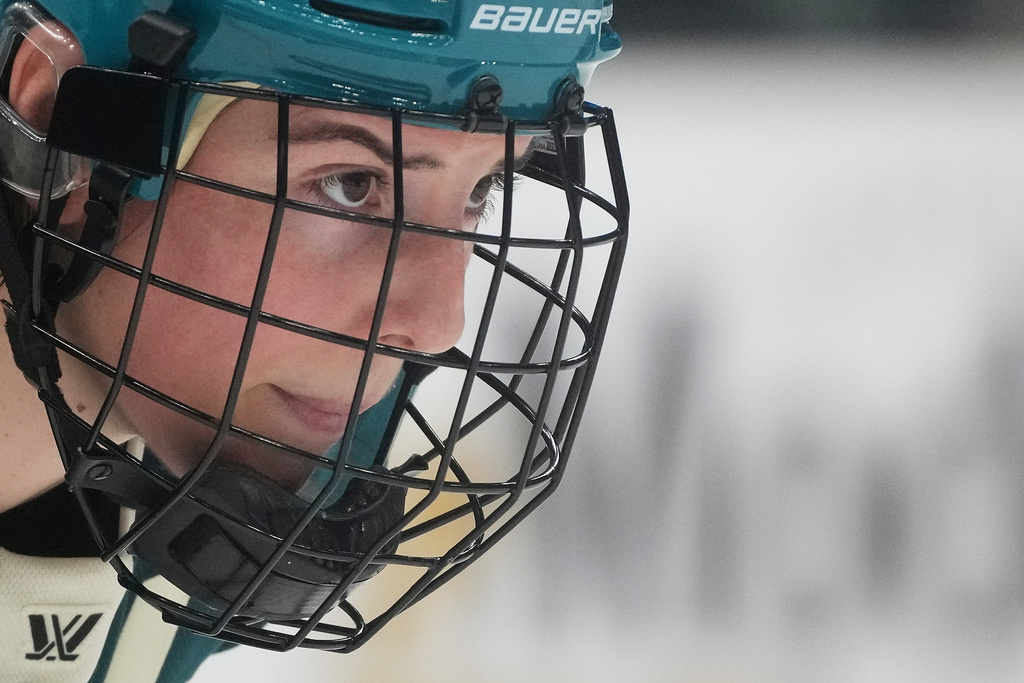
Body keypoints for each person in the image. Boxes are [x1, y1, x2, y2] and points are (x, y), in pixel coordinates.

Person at [0, 0, 628, 681]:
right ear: (50, 114)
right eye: (350, 185)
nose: (438, 324)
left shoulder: (160, 575)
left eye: (483, 189)